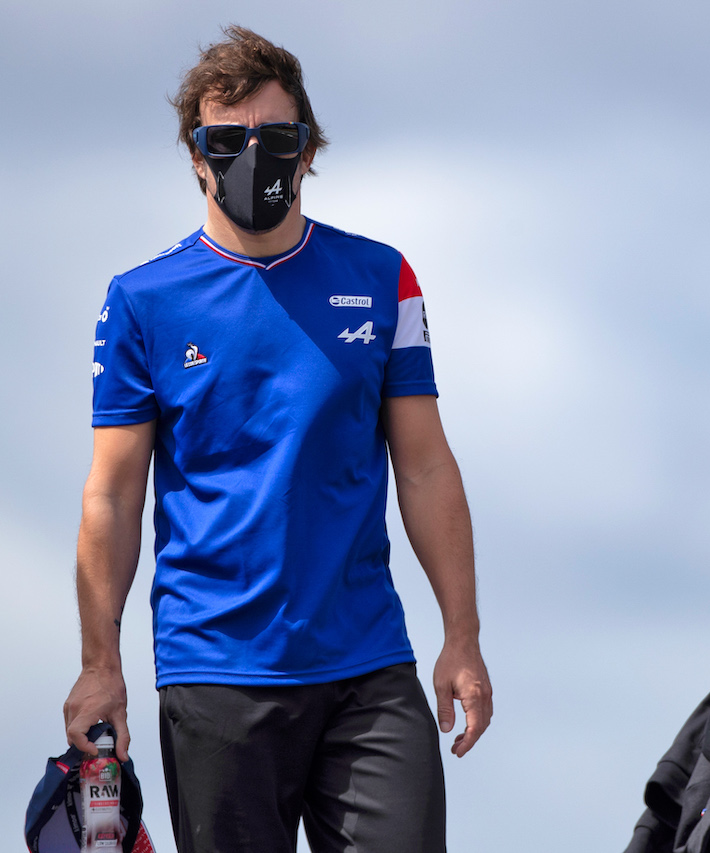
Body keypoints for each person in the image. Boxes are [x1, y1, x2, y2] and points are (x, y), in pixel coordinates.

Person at [62, 26, 492, 853]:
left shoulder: (382, 278)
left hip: (367, 665)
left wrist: (462, 637)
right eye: (227, 141)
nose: (252, 157)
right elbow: (111, 494)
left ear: (308, 151)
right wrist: (99, 662)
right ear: (196, 156)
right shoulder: (141, 301)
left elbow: (427, 465)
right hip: (215, 671)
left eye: (276, 138)